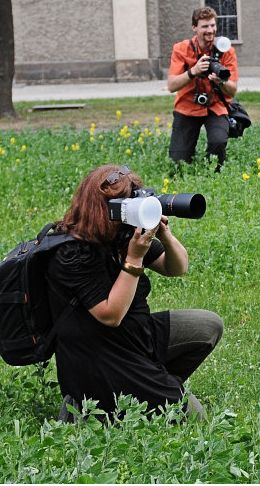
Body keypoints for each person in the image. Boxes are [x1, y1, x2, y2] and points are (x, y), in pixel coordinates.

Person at [46, 164, 223, 421]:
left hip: (135, 338)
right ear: (104, 207)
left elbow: (177, 268)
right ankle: (87, 403)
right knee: (194, 417)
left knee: (208, 325)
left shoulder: (120, 232)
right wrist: (134, 258)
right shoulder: (71, 252)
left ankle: (143, 384)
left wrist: (165, 235)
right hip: (100, 355)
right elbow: (111, 315)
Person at [167, 7, 239, 172]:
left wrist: (221, 82)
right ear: (194, 27)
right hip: (187, 106)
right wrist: (194, 71)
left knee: (218, 142)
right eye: (205, 26)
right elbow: (171, 86)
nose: (210, 30)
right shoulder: (181, 49)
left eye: (213, 25)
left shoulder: (225, 49)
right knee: (178, 163)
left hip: (216, 105)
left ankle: (212, 173)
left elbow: (233, 90)